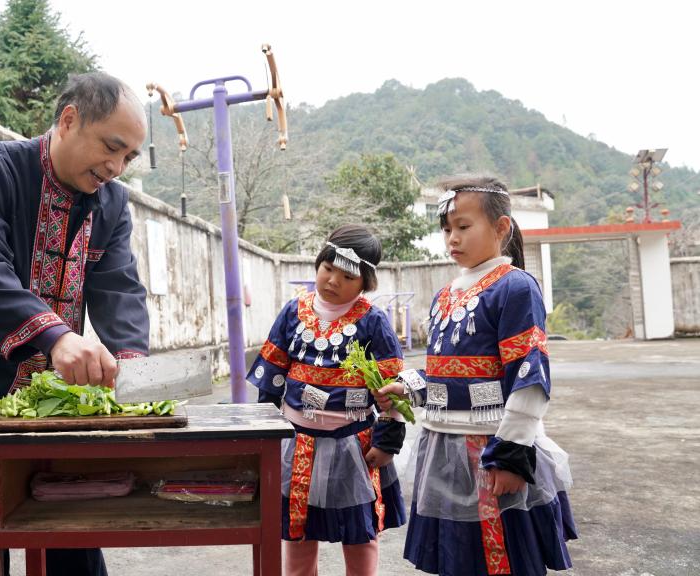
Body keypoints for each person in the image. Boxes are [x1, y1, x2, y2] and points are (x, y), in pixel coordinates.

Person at [0, 72, 150, 576]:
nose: (116, 166)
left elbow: (118, 289)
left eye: (128, 157)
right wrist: (56, 335)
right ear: (68, 120)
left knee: (71, 524)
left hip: (55, 397)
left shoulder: (112, 203)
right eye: (111, 147)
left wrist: (132, 365)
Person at [374, 175, 577, 576]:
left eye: (464, 227)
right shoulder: (445, 295)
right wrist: (410, 387)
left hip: (491, 447)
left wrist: (511, 456)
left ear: (501, 228)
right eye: (447, 228)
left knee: (502, 557)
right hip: (443, 448)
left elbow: (530, 377)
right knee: (459, 558)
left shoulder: (515, 287)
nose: (452, 238)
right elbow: (447, 371)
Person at [247, 224, 408, 576]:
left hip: (354, 445)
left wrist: (388, 441)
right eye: (327, 268)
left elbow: (390, 389)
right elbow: (273, 374)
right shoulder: (294, 312)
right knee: (297, 531)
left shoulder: (373, 322)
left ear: (365, 282)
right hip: (297, 444)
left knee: (361, 534)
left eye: (347, 276)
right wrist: (265, 431)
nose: (333, 280)